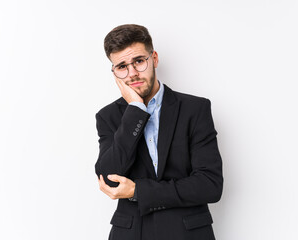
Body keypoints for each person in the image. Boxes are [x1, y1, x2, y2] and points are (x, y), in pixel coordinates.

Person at [95, 24, 223, 240]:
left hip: (188, 233)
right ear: (115, 72)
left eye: (138, 61)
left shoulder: (195, 109)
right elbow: (109, 181)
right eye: (122, 66)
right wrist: (135, 111)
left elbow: (209, 185)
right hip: (132, 233)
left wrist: (138, 191)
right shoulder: (108, 117)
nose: (133, 73)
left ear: (153, 58)